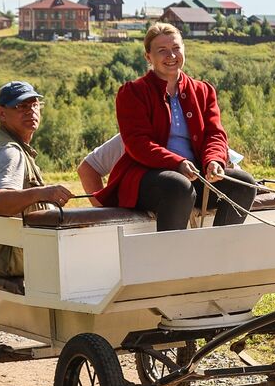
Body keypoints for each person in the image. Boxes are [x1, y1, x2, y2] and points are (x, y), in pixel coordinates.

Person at [94, 22, 256, 230]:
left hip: (194, 174)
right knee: (179, 187)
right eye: (162, 51)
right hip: (147, 178)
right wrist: (177, 163)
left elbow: (214, 135)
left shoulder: (203, 91)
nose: (171, 56)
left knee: (243, 184)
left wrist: (214, 160)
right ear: (148, 57)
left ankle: (219, 252)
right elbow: (138, 143)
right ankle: (171, 258)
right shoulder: (133, 93)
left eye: (176, 48)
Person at [0, 80, 73, 277]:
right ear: (1, 113)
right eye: (21, 106)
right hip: (13, 255)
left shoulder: (1, 143)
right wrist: (44, 193)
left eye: (35, 105)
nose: (30, 111)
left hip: (1, 249)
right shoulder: (9, 152)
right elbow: (0, 202)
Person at [78, 131, 246, 196]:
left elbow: (232, 168)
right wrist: (105, 211)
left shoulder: (197, 131)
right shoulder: (131, 137)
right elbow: (88, 169)